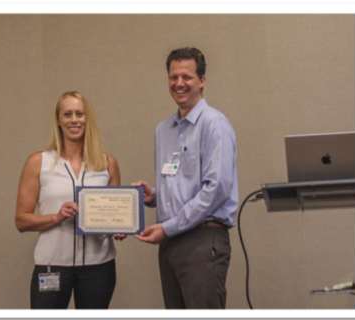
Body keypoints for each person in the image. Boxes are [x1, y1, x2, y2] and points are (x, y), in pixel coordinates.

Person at [133, 47, 239, 309]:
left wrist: (168, 228)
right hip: (171, 243)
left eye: (187, 77)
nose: (179, 83)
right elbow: (180, 179)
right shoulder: (163, 130)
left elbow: (216, 189)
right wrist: (154, 196)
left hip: (202, 240)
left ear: (202, 81)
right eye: (173, 77)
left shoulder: (215, 124)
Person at [15, 91, 124, 309]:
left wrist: (119, 228)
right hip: (52, 265)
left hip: (99, 266)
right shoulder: (38, 162)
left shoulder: (107, 163)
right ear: (58, 120)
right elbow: (21, 221)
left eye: (79, 114)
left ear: (87, 119)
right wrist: (56, 217)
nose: (74, 120)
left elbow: (116, 216)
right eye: (67, 114)